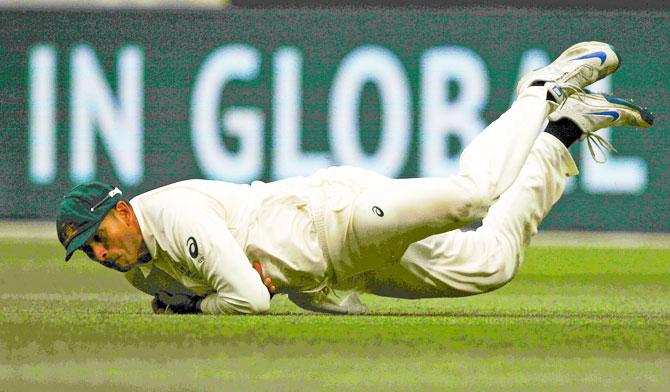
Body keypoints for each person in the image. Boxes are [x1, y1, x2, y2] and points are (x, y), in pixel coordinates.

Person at [56, 41, 653, 315]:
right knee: (493, 263)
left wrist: (206, 304)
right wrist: (220, 293)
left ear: (123, 209)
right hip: (344, 269)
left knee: (474, 194)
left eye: (98, 235)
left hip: (339, 215)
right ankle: (562, 136)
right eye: (89, 251)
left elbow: (251, 300)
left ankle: (541, 90)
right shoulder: (143, 276)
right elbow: (232, 289)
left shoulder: (174, 214)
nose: (101, 253)